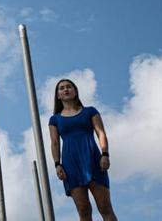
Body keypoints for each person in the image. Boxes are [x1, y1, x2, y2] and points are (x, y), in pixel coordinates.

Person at [49, 79, 117, 221]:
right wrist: (57, 164)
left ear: (75, 91)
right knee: (83, 210)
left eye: (69, 87)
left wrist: (105, 154)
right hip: (70, 165)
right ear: (58, 96)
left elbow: (101, 133)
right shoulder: (55, 119)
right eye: (61, 88)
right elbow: (55, 143)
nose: (65, 89)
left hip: (93, 160)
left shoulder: (90, 111)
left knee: (104, 206)